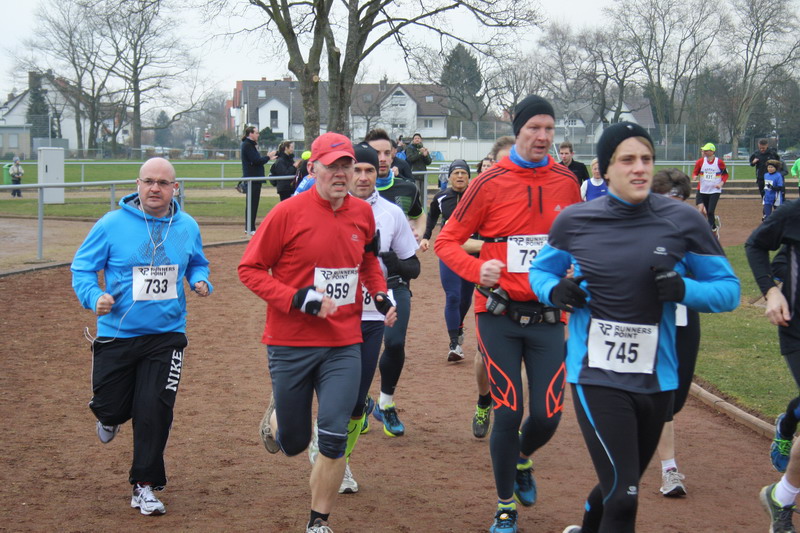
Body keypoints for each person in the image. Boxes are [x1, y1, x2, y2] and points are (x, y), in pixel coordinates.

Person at [530, 122, 739, 533]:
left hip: (657, 378)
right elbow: (540, 272)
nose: (639, 168)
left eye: (646, 159)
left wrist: (685, 289)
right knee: (624, 496)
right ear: (606, 168)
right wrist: (555, 290)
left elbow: (729, 290)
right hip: (595, 374)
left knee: (618, 486)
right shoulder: (576, 220)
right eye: (627, 160)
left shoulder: (683, 220)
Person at [435, 95, 582, 533]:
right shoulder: (489, 182)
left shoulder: (566, 181)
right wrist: (476, 270)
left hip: (548, 315)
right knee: (509, 410)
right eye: (534, 127)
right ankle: (504, 507)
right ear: (517, 130)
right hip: (497, 313)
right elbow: (446, 241)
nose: (542, 136)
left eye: (549, 128)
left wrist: (575, 270)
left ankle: (521, 457)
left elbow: (579, 242)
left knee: (548, 415)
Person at [239, 132, 396, 533]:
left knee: (333, 436)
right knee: (294, 442)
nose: (342, 174)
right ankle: (277, 417)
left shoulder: (363, 214)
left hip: (343, 341)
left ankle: (318, 521)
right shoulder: (286, 213)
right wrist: (296, 298)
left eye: (347, 166)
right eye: (333, 167)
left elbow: (369, 261)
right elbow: (249, 270)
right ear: (313, 169)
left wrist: (379, 294)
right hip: (290, 342)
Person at [71, 157, 213, 516]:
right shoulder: (111, 224)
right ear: (137, 185)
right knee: (113, 407)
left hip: (167, 334)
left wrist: (200, 280)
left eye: (163, 183)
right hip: (117, 334)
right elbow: (83, 268)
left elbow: (198, 262)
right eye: (148, 181)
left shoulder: (187, 225)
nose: (155, 188)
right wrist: (94, 296)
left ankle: (145, 486)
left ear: (175, 188)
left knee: (155, 408)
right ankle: (108, 415)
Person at [308, 142, 418, 494]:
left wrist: (388, 260)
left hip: (371, 314)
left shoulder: (391, 213)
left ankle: (340, 461)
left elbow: (413, 265)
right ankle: (311, 429)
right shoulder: (320, 209)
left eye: (370, 170)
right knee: (330, 394)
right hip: (331, 311)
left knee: (356, 402)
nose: (363, 176)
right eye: (357, 169)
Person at [363, 128, 425, 437]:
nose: (383, 158)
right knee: (356, 350)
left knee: (395, 342)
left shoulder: (405, 188)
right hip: (357, 287)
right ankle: (360, 402)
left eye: (387, 153)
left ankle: (386, 402)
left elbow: (419, 215)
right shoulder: (346, 195)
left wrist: (418, 233)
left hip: (395, 282)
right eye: (376, 153)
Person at [745, 198, 800, 533]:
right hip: (797, 328)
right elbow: (755, 244)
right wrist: (771, 291)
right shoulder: (795, 212)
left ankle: (781, 496)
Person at [650, 169, 701, 498]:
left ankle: (648, 422)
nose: (674, 207)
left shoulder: (694, 233)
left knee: (677, 396)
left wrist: (685, 286)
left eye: (680, 200)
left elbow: (715, 279)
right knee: (665, 397)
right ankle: (669, 470)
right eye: (668, 200)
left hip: (683, 316)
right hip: (646, 321)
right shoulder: (641, 230)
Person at [419, 160, 476, 362]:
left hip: (471, 253)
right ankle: (454, 344)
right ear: (449, 177)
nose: (460, 176)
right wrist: (426, 237)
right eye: (456, 173)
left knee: (465, 298)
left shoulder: (477, 196)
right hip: (449, 251)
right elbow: (432, 218)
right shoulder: (441, 197)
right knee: (452, 296)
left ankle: (458, 327)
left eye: (463, 173)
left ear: (469, 177)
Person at [240, 126, 273, 234]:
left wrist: (266, 158)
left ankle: (250, 227)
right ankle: (250, 228)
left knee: (253, 203)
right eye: (256, 133)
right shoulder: (247, 145)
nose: (258, 135)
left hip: (254, 178)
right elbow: (256, 160)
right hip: (252, 178)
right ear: (250, 134)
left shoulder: (250, 145)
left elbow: (256, 160)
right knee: (252, 203)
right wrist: (268, 157)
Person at [691, 143, 728, 230]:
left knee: (710, 211)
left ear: (712, 151)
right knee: (707, 212)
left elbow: (725, 174)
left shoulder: (719, 162)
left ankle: (709, 230)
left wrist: (721, 184)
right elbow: (695, 172)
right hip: (703, 190)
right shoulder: (700, 162)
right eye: (704, 150)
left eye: (706, 150)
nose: (704, 152)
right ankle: (714, 227)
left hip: (715, 190)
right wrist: (694, 176)